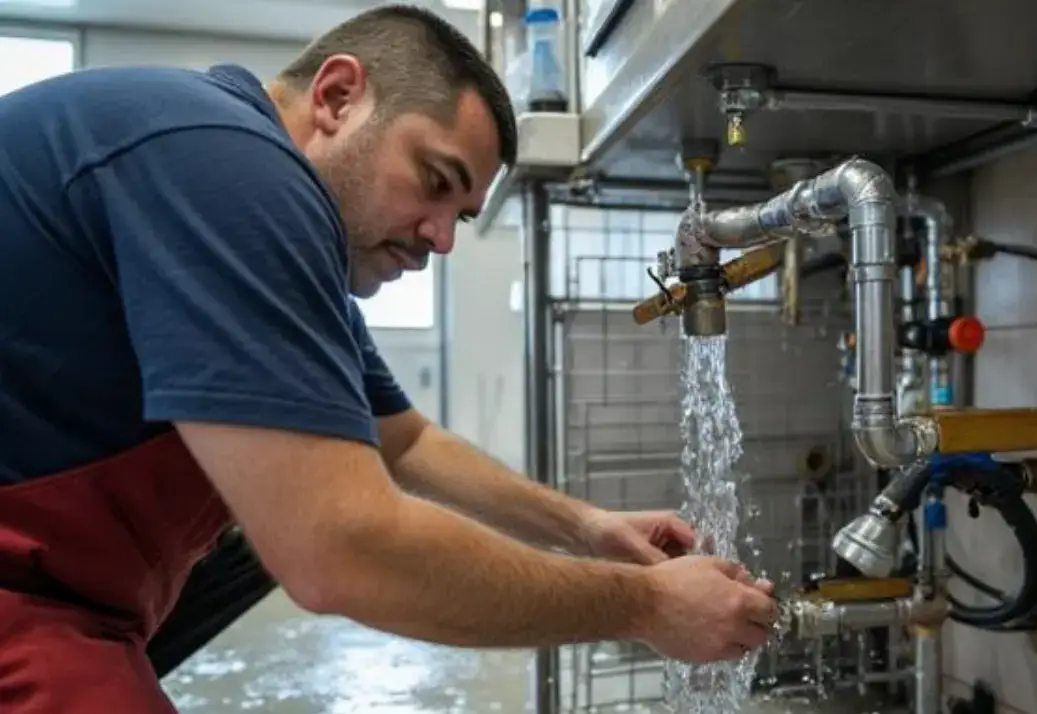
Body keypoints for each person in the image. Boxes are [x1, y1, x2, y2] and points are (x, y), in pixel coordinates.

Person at [0, 5, 776, 712]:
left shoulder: (266, 218)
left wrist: (586, 526)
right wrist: (646, 607)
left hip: (69, 588)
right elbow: (339, 550)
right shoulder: (229, 164)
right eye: (434, 182)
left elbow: (400, 437)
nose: (440, 239)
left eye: (461, 216)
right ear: (338, 98)